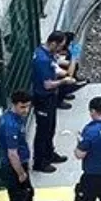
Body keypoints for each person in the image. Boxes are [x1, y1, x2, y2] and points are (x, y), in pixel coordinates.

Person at [0, 90, 52, 201]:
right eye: (22, 107)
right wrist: (20, 173)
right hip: (13, 167)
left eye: (28, 107)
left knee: (28, 193)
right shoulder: (10, 125)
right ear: (14, 105)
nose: (26, 111)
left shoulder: (15, 118)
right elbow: (12, 154)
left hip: (20, 164)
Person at [30, 32, 73, 173]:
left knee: (51, 127)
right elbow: (47, 84)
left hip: (49, 97)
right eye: (60, 45)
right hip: (43, 98)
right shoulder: (42, 60)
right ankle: (39, 162)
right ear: (53, 43)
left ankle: (49, 153)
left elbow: (54, 67)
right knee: (43, 131)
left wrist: (64, 73)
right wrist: (63, 81)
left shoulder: (44, 53)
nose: (61, 49)